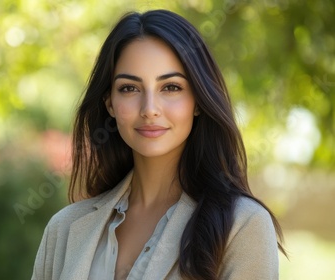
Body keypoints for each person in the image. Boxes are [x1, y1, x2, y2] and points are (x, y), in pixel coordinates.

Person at [32, 9, 285, 280]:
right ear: (110, 104)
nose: (150, 109)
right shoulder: (64, 228)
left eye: (171, 87)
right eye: (129, 88)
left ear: (197, 101)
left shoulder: (243, 225)